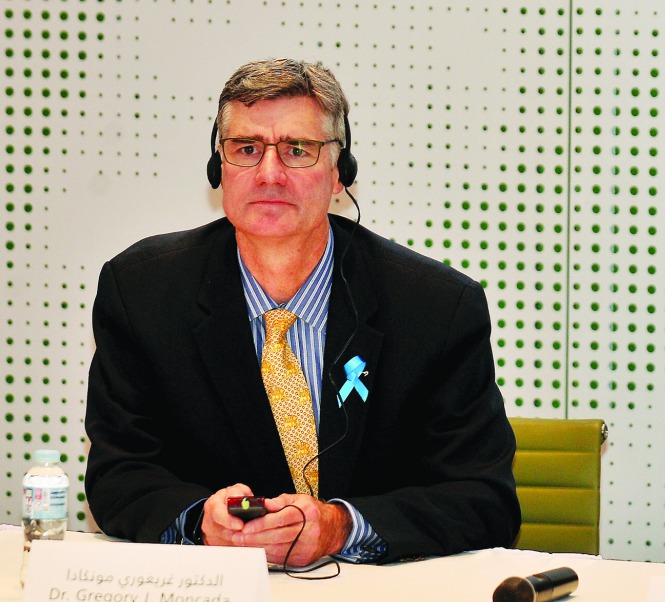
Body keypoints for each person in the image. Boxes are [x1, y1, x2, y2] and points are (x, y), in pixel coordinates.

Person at [84, 59, 520, 566]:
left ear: (339, 173)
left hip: (378, 599)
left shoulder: (435, 307)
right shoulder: (141, 292)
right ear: (218, 168)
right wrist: (200, 520)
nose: (269, 174)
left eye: (297, 150)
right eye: (246, 149)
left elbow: (482, 497)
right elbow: (119, 475)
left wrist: (340, 528)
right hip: (215, 596)